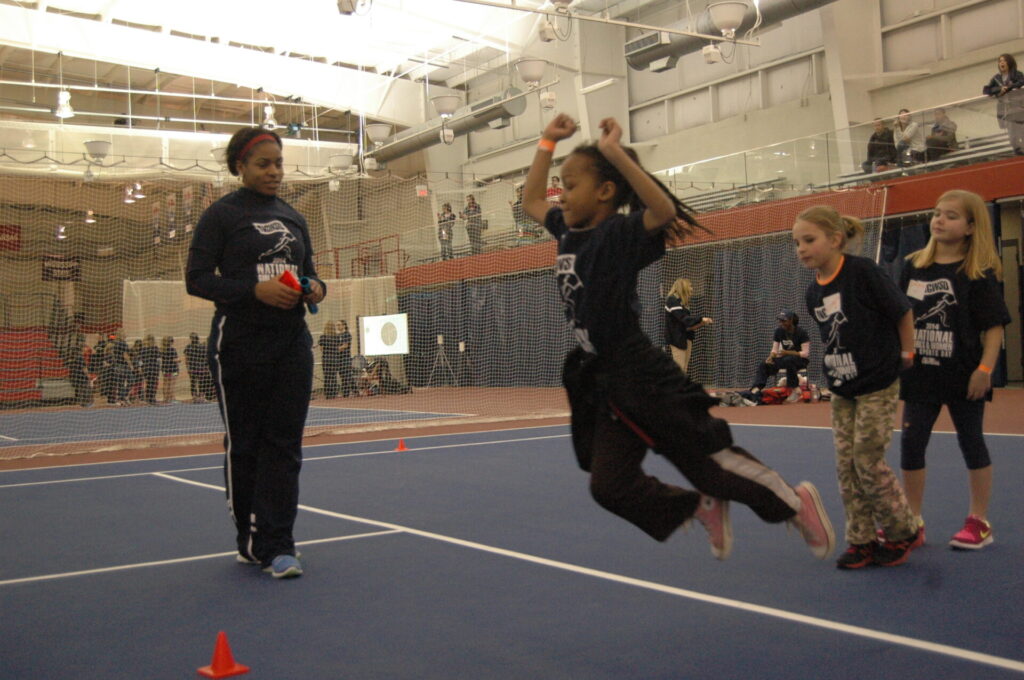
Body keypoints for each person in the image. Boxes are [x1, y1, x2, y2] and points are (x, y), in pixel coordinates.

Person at [519, 112, 835, 562]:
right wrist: (547, 141)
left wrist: (613, 153)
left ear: (605, 191)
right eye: (561, 185)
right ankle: (697, 507)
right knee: (609, 486)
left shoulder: (619, 234)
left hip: (641, 375)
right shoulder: (567, 230)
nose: (560, 194)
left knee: (710, 465)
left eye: (571, 186)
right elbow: (531, 198)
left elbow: (663, 211)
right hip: (602, 380)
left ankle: (793, 502)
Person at [186, 126, 326, 580]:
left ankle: (279, 543)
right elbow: (198, 279)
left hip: (292, 345)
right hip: (240, 344)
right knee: (247, 444)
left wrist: (315, 288)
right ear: (239, 167)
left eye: (279, 163)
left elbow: (312, 274)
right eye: (263, 164)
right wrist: (254, 292)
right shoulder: (221, 215)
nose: (274, 171)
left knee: (284, 446)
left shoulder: (292, 216)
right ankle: (252, 543)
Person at [793, 205, 921, 569]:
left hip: (877, 382)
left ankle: (901, 530)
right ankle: (861, 539)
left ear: (835, 240)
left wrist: (907, 351)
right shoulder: (812, 293)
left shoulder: (862, 272)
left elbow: (902, 311)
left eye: (809, 240)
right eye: (796, 243)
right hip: (842, 388)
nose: (801, 248)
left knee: (867, 459)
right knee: (846, 466)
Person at [898, 190, 1010, 550]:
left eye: (950, 215)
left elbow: (993, 327)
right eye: (936, 213)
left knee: (971, 442)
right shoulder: (914, 265)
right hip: (921, 376)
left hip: (964, 374)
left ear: (970, 227)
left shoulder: (977, 273)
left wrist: (985, 368)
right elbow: (900, 317)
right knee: (912, 444)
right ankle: (911, 520)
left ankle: (979, 522)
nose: (939, 220)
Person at [748, 310, 810, 395]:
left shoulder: (802, 332)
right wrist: (771, 356)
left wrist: (787, 352)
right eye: (780, 321)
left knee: (789, 360)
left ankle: (794, 388)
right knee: (764, 364)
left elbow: (805, 354)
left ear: (791, 320)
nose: (781, 323)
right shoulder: (778, 331)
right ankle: (757, 388)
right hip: (785, 359)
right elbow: (774, 349)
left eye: (784, 321)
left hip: (801, 360)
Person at [664, 277, 711, 374]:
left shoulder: (683, 304)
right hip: (677, 340)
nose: (692, 289)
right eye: (690, 286)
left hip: (685, 338)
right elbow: (683, 319)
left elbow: (688, 327)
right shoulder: (672, 300)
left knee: (684, 369)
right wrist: (700, 318)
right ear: (683, 287)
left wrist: (701, 323)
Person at [983, 53, 1024, 155]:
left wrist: (1008, 88)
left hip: (1020, 110)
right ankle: (1018, 154)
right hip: (1007, 113)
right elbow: (986, 90)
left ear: (1009, 62)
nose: (1002, 63)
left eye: (1004, 60)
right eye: (1000, 61)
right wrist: (999, 89)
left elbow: (1021, 82)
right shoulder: (997, 78)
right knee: (1012, 138)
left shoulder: (1017, 74)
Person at [183, 332, 215, 403]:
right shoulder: (203, 346)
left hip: (193, 369)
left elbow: (186, 359)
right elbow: (206, 358)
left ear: (191, 339)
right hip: (201, 368)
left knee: (193, 382)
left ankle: (195, 397)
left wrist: (188, 368)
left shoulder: (188, 347)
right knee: (201, 383)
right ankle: (201, 397)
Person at [319, 321, 341, 399]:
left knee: (327, 377)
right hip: (334, 359)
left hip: (326, 359)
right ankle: (334, 393)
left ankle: (328, 394)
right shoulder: (337, 337)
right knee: (333, 376)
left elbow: (321, 348)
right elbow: (338, 348)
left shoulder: (323, 337)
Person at [139, 334, 161, 405]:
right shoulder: (153, 349)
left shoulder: (145, 349)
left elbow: (140, 361)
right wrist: (141, 367)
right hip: (151, 369)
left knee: (150, 384)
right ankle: (151, 399)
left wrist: (141, 367)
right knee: (151, 384)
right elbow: (140, 360)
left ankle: (150, 399)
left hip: (150, 368)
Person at [336, 319, 355, 398]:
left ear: (344, 325)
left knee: (347, 376)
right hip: (339, 359)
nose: (338, 326)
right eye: (337, 325)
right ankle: (345, 392)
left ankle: (353, 391)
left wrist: (335, 349)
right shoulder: (337, 335)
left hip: (345, 358)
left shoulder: (347, 334)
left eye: (339, 324)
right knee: (342, 376)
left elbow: (345, 345)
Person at [159, 336, 179, 404]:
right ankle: (171, 398)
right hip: (173, 370)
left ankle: (165, 398)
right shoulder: (172, 350)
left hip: (165, 369)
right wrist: (179, 360)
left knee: (165, 383)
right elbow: (175, 359)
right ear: (171, 342)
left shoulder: (162, 349)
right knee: (172, 384)